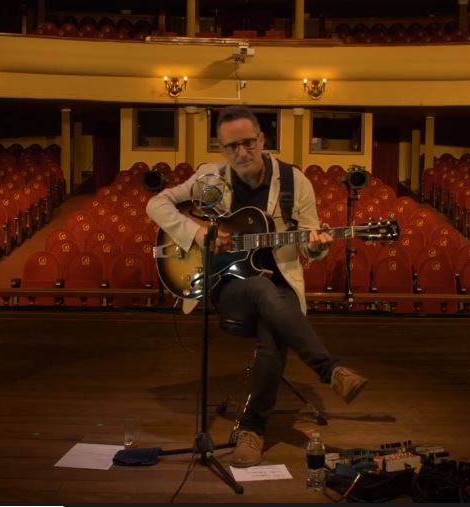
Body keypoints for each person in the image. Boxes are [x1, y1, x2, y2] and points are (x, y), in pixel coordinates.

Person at [146, 106, 368, 467]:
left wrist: (317, 244)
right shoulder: (209, 178)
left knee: (274, 324)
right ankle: (330, 370)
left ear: (263, 140)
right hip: (225, 283)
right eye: (231, 147)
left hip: (278, 283)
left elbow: (311, 246)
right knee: (264, 293)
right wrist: (198, 232)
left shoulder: (296, 183)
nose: (241, 153)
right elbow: (157, 203)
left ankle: (252, 429)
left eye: (248, 143)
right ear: (222, 148)